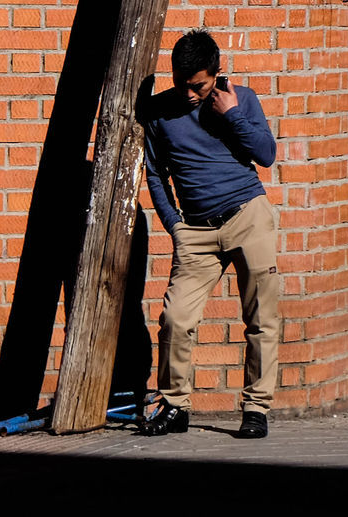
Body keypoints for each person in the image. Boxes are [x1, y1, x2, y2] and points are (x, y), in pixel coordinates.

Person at [141, 29, 278, 439]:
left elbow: (266, 155)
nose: (188, 93)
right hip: (196, 231)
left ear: (217, 74)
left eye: (197, 85)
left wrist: (231, 112)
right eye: (180, 83)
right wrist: (175, 225)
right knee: (175, 319)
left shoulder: (242, 98)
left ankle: (256, 409)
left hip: (248, 217)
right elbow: (154, 173)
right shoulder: (159, 112)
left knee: (261, 319)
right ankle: (176, 406)